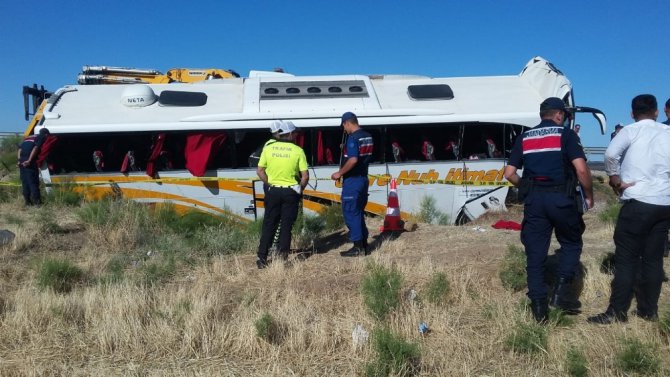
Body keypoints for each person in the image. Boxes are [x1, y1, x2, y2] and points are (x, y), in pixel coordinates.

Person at [503, 97, 594, 323]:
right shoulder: (566, 135)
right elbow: (582, 170)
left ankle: (539, 310)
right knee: (571, 243)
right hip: (562, 199)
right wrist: (589, 196)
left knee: (535, 253)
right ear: (559, 115)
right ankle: (562, 295)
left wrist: (526, 187)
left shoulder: (524, 137)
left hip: (535, 201)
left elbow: (509, 173)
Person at [587, 94, 670, 324]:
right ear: (656, 112)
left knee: (626, 259)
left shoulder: (630, 131)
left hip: (637, 200)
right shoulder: (667, 132)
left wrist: (614, 177)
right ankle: (648, 310)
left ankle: (617, 311)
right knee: (654, 259)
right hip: (664, 203)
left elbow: (611, 154)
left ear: (632, 113)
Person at [255, 120, 309, 269]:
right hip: (290, 191)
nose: (297, 135)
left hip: (273, 191)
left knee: (269, 224)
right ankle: (282, 258)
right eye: (295, 133)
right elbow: (305, 176)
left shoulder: (269, 148)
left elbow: (259, 171)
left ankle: (262, 257)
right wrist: (299, 189)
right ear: (290, 134)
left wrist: (269, 184)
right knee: (286, 226)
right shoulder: (298, 150)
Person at [331, 112, 374, 257]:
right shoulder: (367, 135)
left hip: (353, 181)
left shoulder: (352, 138)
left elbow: (354, 159)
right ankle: (364, 244)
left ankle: (357, 247)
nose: (344, 129)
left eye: (344, 126)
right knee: (358, 213)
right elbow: (361, 154)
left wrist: (340, 173)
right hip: (363, 178)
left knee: (350, 212)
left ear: (347, 123)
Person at [17, 128, 49, 206]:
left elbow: (19, 149)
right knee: (33, 182)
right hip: (29, 161)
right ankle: (37, 203)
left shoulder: (29, 137)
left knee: (25, 182)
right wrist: (29, 160)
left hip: (22, 160)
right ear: (46, 134)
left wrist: (19, 160)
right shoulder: (41, 137)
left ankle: (27, 203)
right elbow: (35, 148)